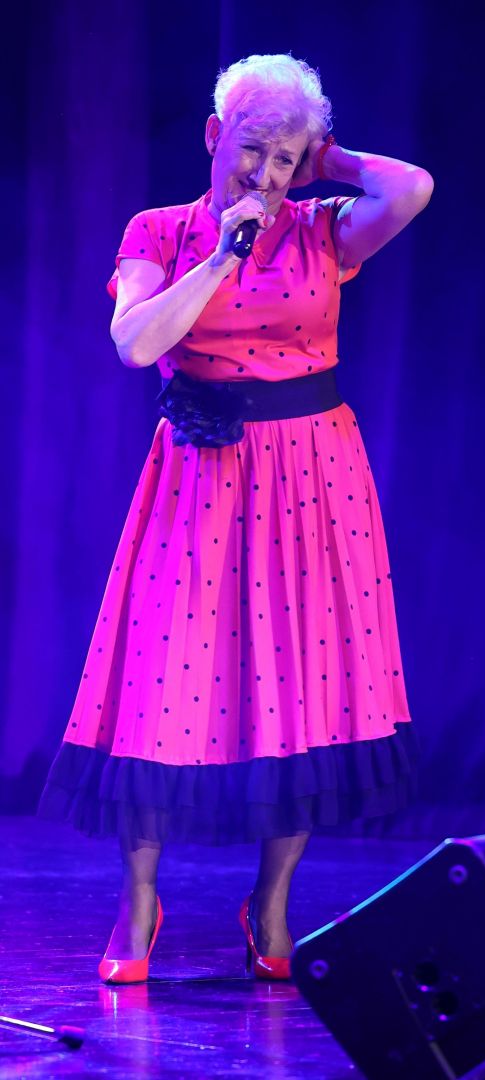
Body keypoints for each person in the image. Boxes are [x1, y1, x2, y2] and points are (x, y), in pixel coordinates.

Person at [36, 52, 433, 983]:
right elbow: (136, 344)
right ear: (215, 136)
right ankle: (140, 900)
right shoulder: (161, 232)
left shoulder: (322, 230)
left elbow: (412, 188)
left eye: (285, 159)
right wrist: (222, 253)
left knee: (300, 686)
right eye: (253, 149)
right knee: (158, 689)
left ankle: (273, 902)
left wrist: (326, 161)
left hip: (312, 478)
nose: (266, 174)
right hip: (198, 477)